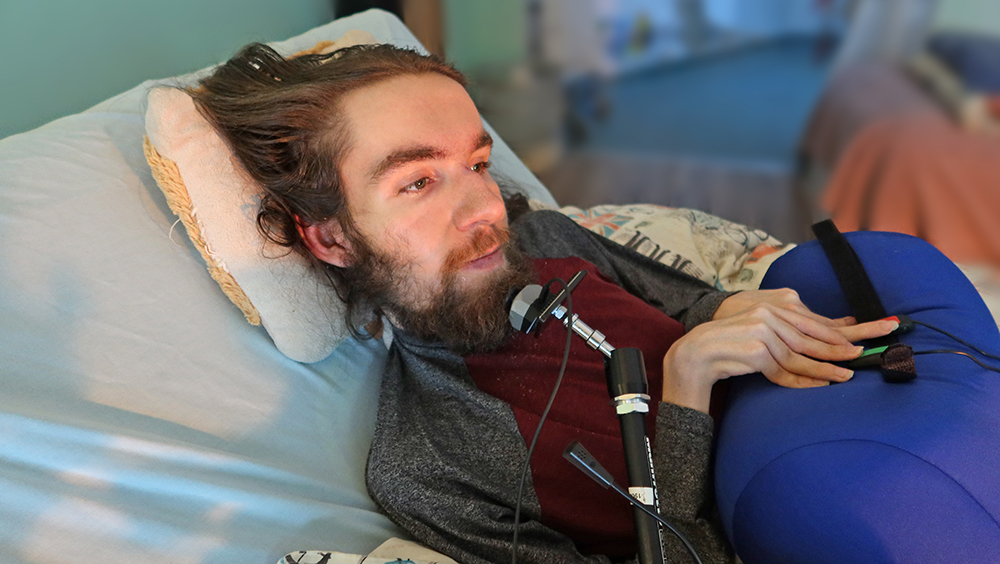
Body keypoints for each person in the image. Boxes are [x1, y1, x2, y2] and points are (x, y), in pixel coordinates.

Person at [191, 42, 897, 564]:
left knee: (894, 263)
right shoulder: (432, 472)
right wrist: (685, 392)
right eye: (417, 182)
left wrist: (729, 317)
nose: (484, 208)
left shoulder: (548, 237)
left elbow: (697, 305)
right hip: (802, 518)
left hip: (834, 407)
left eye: (474, 163)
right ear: (334, 239)